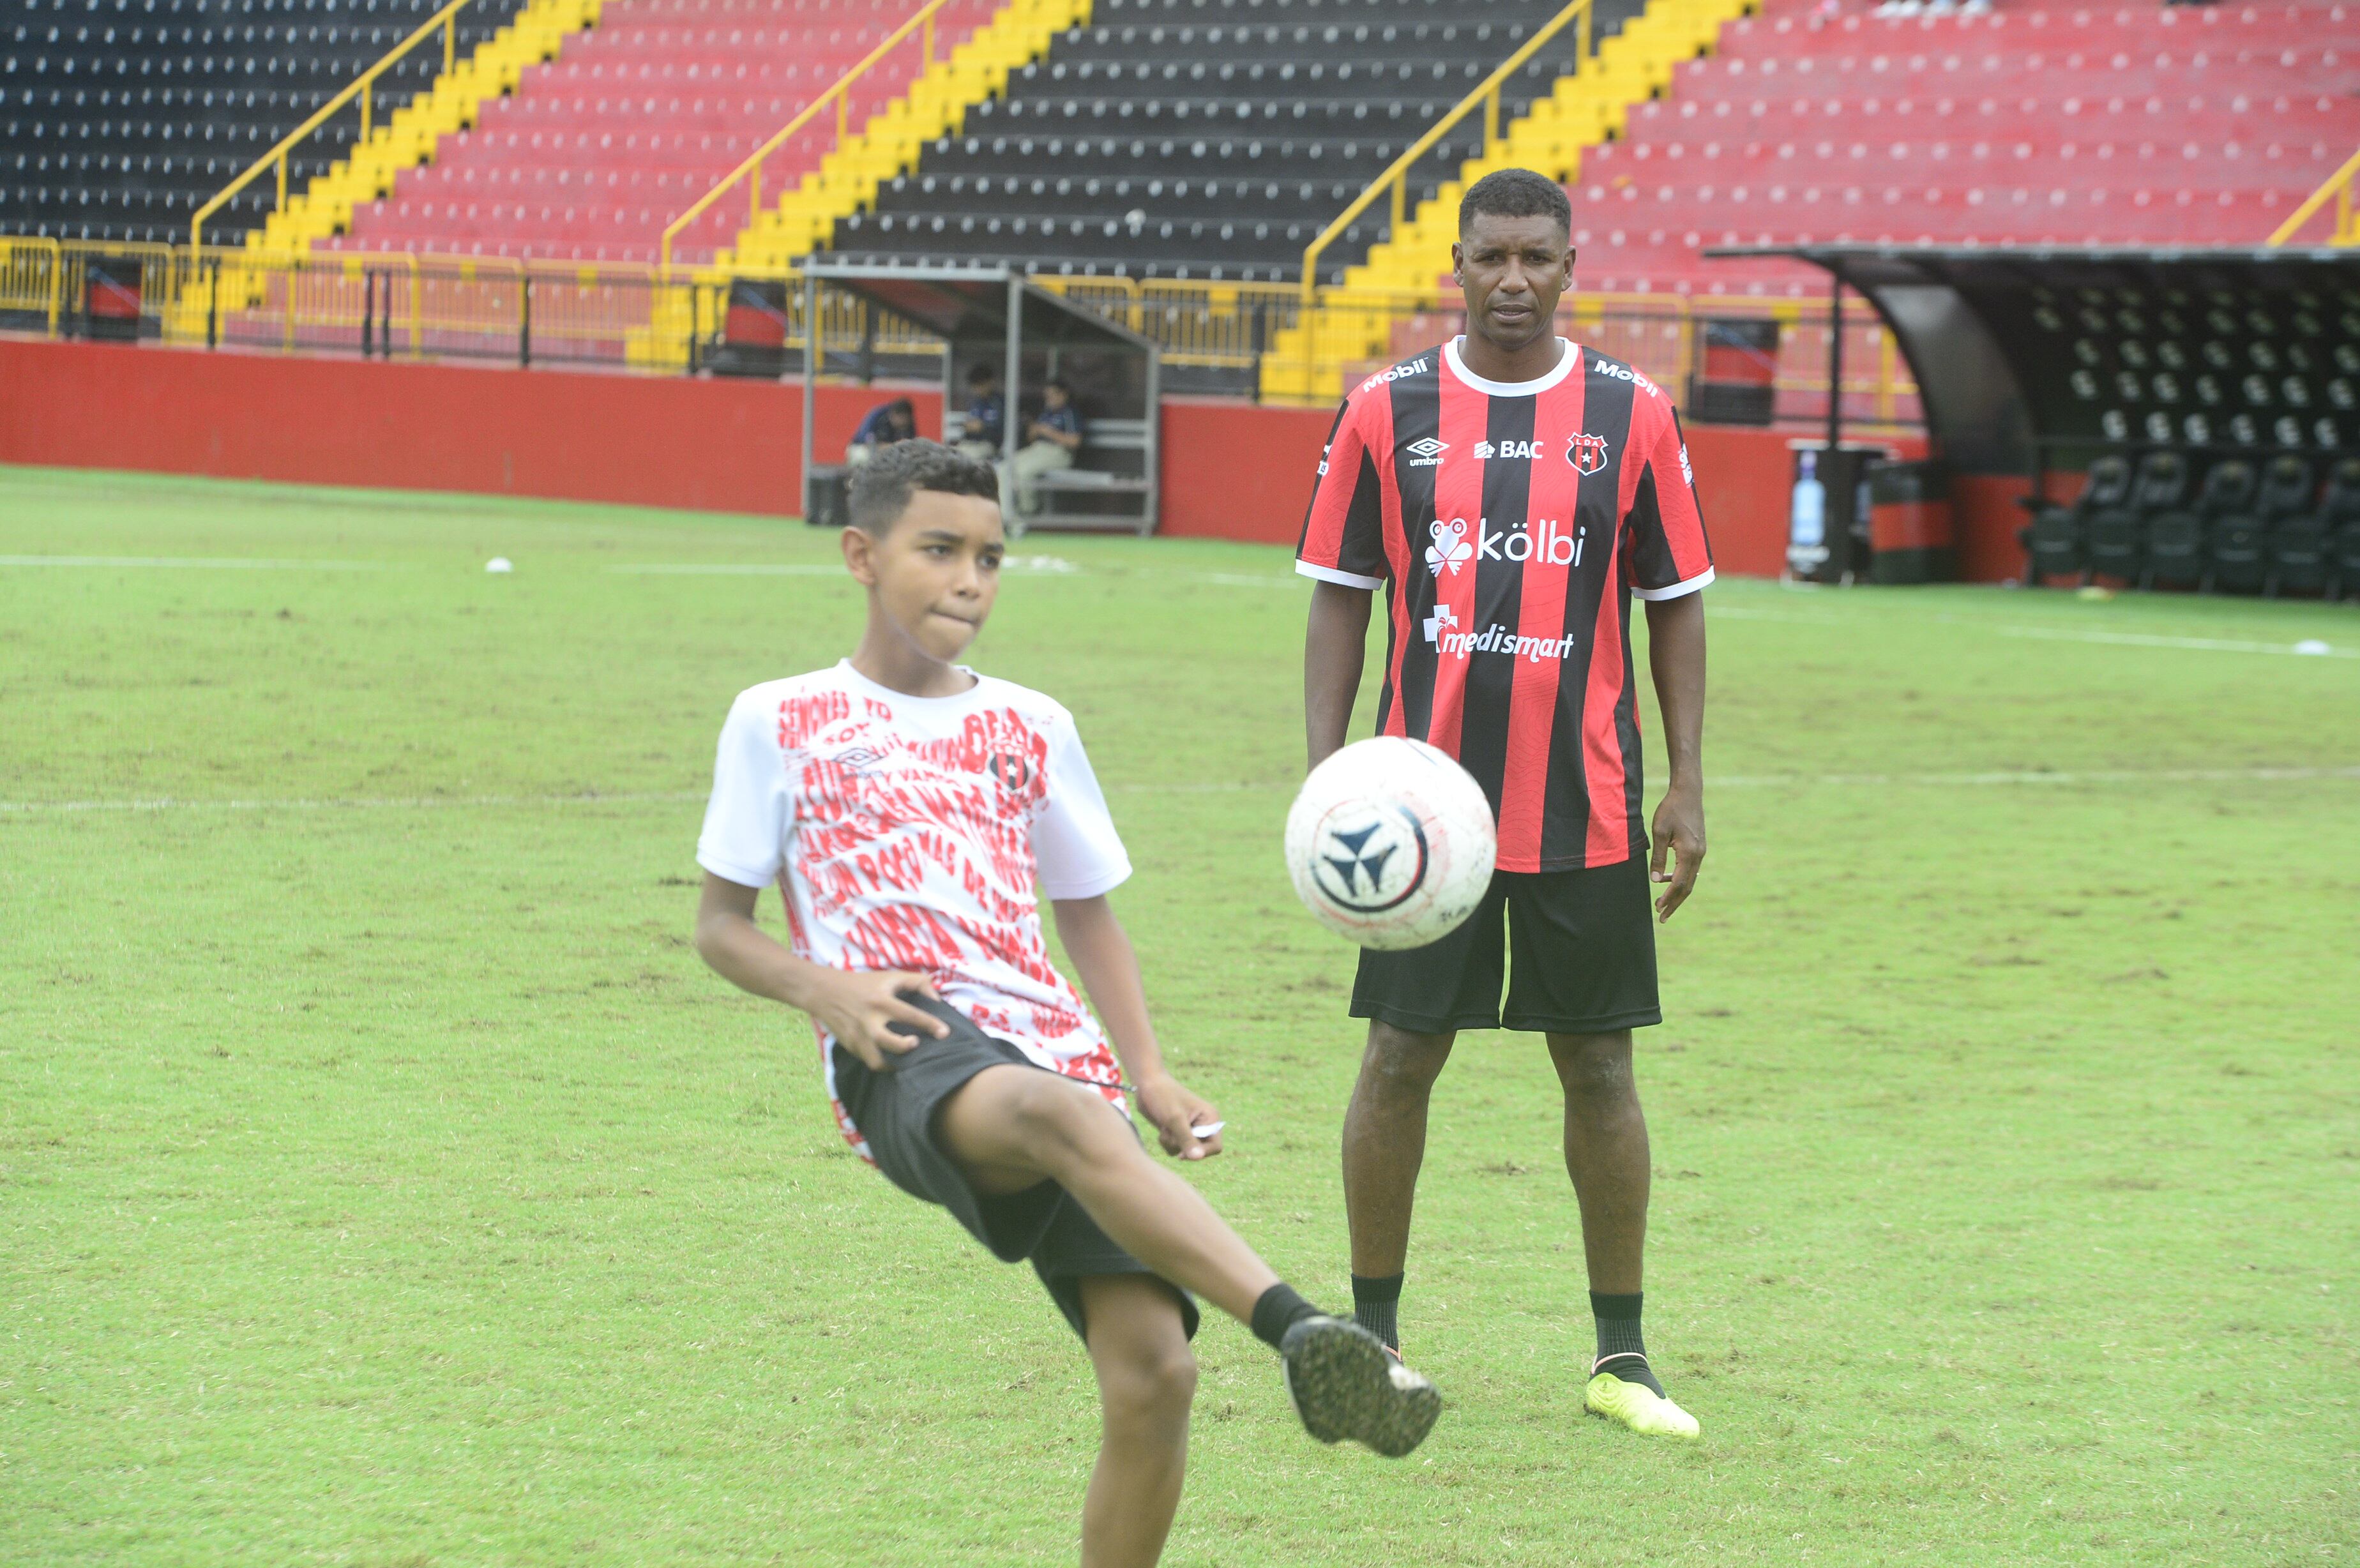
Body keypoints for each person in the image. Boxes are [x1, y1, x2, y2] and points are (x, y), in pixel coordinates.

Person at [693, 439, 1439, 1566]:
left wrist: (1149, 1072)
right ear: (861, 554)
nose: (968, 581)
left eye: (990, 558)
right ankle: (1303, 1331)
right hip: (903, 1036)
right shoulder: (778, 718)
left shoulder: (1033, 723)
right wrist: (822, 988)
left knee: (1158, 1376)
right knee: (1059, 1117)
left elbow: (1086, 914)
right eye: (937, 551)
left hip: (1052, 1049)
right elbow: (718, 927)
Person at [1295, 167, 1713, 1441]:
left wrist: (1688, 778)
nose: (1515, 280)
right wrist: (1328, 775)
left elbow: (1676, 600)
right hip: (1421, 825)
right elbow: (1338, 593)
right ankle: (1371, 1339)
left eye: (1539, 256)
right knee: (1400, 1057)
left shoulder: (1633, 413)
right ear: (1458, 266)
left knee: (1598, 1064)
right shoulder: (1386, 410)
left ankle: (1623, 1357)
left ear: (1572, 264)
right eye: (1494, 258)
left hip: (1584, 800)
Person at [1004, 377, 1085, 522]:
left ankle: (1027, 512)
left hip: (1058, 453)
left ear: (1063, 394)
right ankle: (1005, 514)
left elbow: (1075, 442)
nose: (1049, 399)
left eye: (1053, 395)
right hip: (1038, 450)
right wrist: (1034, 430)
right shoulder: (1047, 412)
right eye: (1047, 395)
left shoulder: (1069, 412)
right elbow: (1032, 438)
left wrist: (1048, 432)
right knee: (1004, 467)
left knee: (1023, 472)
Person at [845, 396, 917, 465]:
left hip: (892, 454)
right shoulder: (878, 415)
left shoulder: (909, 424)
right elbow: (867, 441)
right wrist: (890, 446)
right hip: (862, 448)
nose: (903, 423)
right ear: (894, 415)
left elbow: (912, 445)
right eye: (901, 418)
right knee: (863, 457)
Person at [957, 364, 1005, 462]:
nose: (978, 389)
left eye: (981, 385)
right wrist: (967, 426)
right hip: (971, 442)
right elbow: (967, 427)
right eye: (975, 386)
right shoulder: (975, 403)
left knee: (968, 457)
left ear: (990, 383)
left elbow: (1002, 430)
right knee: (952, 454)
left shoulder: (1000, 403)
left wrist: (983, 427)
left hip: (989, 445)